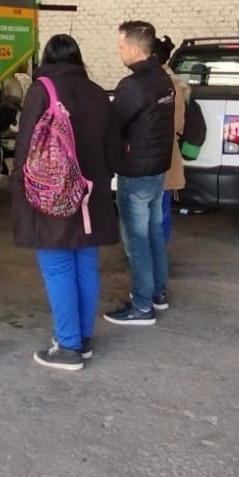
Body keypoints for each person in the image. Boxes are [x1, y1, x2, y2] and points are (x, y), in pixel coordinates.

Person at [11, 34, 121, 372]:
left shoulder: (41, 89)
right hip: (91, 193)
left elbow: (26, 147)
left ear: (47, 57)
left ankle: (68, 345)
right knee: (86, 266)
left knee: (58, 267)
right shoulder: (97, 92)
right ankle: (82, 340)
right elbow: (113, 149)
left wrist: (20, 191)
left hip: (53, 194)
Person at [104, 20, 175, 327]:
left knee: (137, 240)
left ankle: (142, 305)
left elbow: (112, 127)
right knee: (154, 232)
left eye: (121, 45)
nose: (118, 51)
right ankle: (158, 293)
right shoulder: (163, 79)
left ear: (134, 49)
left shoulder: (132, 86)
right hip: (158, 169)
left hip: (135, 173)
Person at [152, 34, 189, 243]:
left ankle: (156, 256)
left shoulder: (170, 87)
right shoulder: (164, 83)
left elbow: (175, 125)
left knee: (159, 213)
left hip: (162, 158)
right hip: (156, 158)